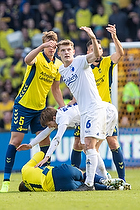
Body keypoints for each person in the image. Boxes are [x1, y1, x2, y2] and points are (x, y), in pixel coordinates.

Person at [0, 30, 65, 193]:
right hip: (23, 105)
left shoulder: (57, 64)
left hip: (40, 109)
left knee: (45, 141)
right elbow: (27, 60)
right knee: (15, 141)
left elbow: (56, 89)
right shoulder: (37, 57)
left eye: (53, 46)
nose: (51, 48)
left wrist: (63, 106)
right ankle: (6, 180)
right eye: (48, 45)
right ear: (44, 45)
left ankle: (46, 174)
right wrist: (42, 46)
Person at [57, 26, 111, 191]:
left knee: (88, 145)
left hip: (94, 108)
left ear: (74, 51)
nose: (66, 52)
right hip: (84, 111)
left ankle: (89, 184)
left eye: (69, 49)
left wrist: (93, 38)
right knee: (89, 147)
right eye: (63, 50)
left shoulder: (81, 60)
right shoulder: (61, 69)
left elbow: (97, 55)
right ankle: (107, 178)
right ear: (59, 54)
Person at [17, 102, 118, 181]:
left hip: (105, 112)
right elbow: (45, 132)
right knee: (86, 147)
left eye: (50, 124)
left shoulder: (62, 117)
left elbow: (57, 138)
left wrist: (47, 156)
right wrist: (31, 145)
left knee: (91, 148)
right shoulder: (59, 115)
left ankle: (103, 177)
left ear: (53, 118)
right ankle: (104, 177)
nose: (50, 127)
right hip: (102, 112)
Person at [19, 151, 126, 192]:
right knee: (85, 175)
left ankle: (109, 188)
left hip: (58, 186)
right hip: (58, 172)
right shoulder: (25, 170)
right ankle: (103, 180)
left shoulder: (32, 189)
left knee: (85, 185)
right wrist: (38, 163)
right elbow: (41, 153)